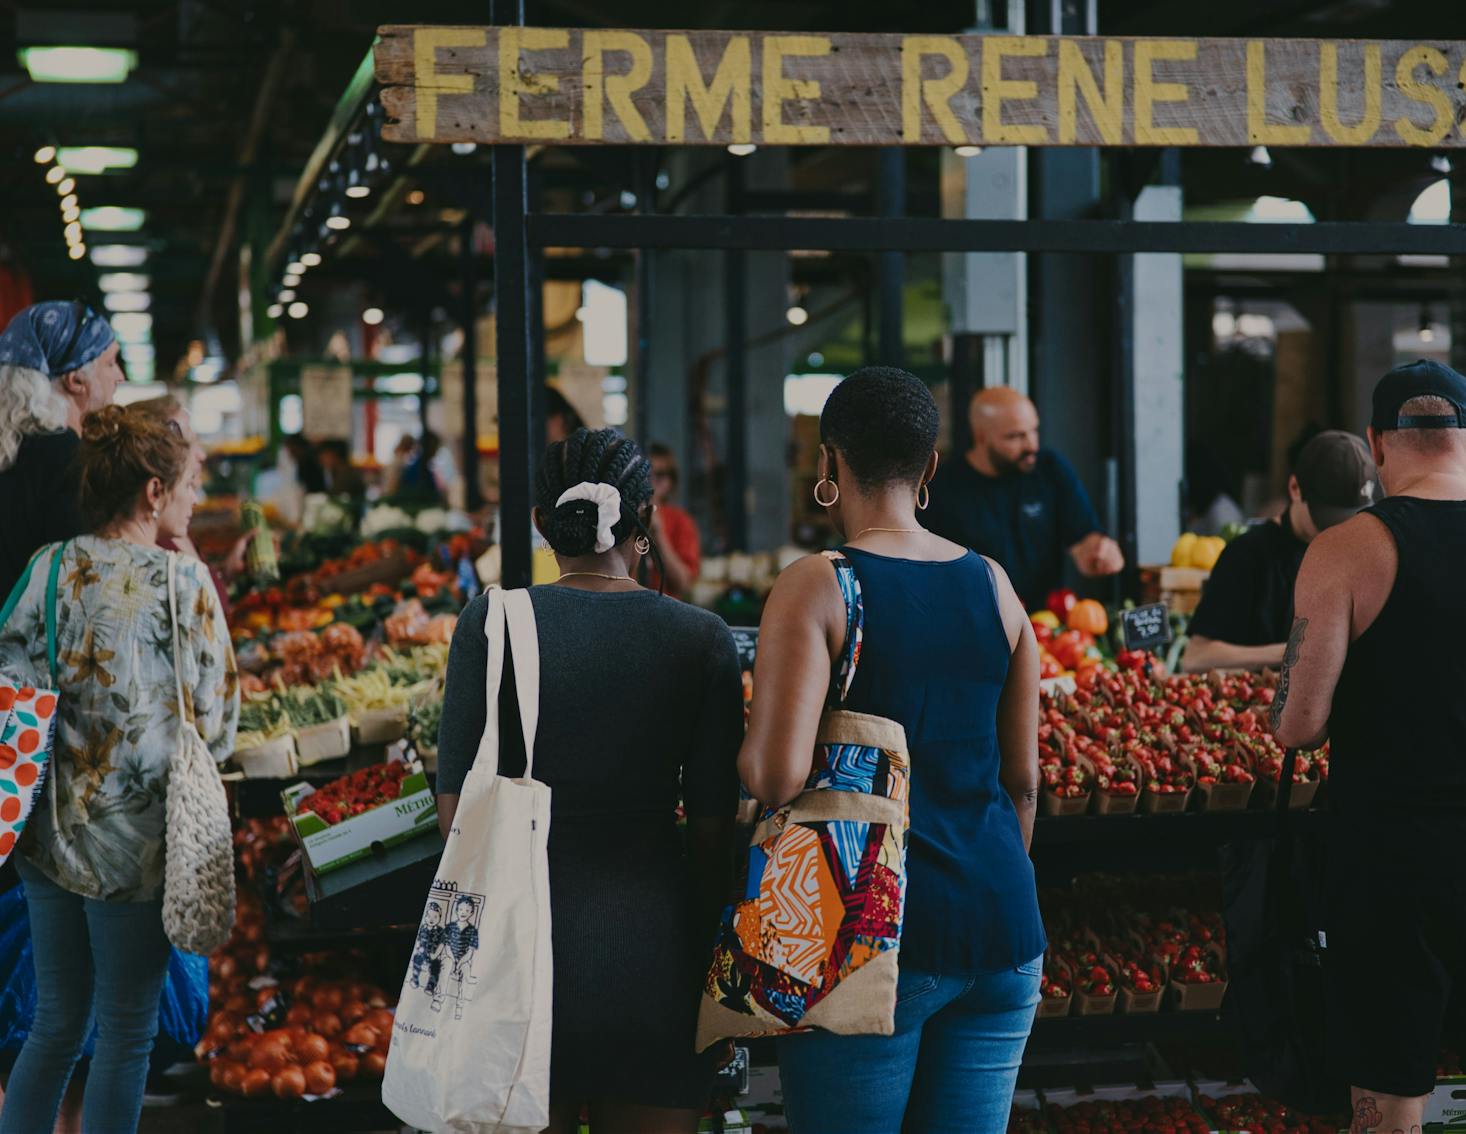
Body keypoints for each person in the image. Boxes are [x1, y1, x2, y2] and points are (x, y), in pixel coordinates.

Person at [741, 368, 1044, 1133]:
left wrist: (738, 738)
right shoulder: (996, 584)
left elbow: (775, 776)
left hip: (868, 932)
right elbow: (1025, 782)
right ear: (932, 465)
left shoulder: (817, 585)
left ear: (828, 464)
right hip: (1001, 925)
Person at [434, 428, 743, 1133]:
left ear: (543, 523)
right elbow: (711, 833)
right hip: (652, 951)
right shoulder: (701, 639)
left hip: (516, 964)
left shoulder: (491, 625)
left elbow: (457, 823)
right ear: (647, 519)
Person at [0, 403, 238, 1134]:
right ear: (153, 493)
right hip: (134, 852)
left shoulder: (46, 566)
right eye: (191, 483)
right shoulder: (184, 585)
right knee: (127, 1032)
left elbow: (12, 682)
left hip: (47, 839)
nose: (196, 499)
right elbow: (221, 726)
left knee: (57, 1026)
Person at [1271, 359, 1466, 1134]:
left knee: (1389, 1095)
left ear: (1377, 444)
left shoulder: (1350, 548)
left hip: (1395, 860)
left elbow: (1299, 724)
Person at [1182, 432, 1380, 673]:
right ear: (1295, 488)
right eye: (1328, 519)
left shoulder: (1355, 553)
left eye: (1349, 520)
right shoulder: (1247, 556)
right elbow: (1196, 656)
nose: (1338, 531)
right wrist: (1294, 651)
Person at [925, 386, 1123, 610]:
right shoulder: (943, 487)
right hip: (974, 623)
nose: (1032, 445)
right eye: (1016, 436)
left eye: (1033, 431)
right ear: (981, 436)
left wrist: (1099, 551)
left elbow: (1083, 537)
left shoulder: (1049, 469)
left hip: (1047, 622)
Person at [0, 300, 124, 599]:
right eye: (110, 363)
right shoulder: (66, 456)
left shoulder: (13, 446)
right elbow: (81, 581)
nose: (119, 376)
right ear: (75, 380)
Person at [645, 443, 702, 599]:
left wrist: (659, 535)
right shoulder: (623, 515)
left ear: (671, 480)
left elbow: (683, 584)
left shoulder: (681, 521)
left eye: (661, 474)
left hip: (666, 610)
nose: (653, 481)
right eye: (648, 474)